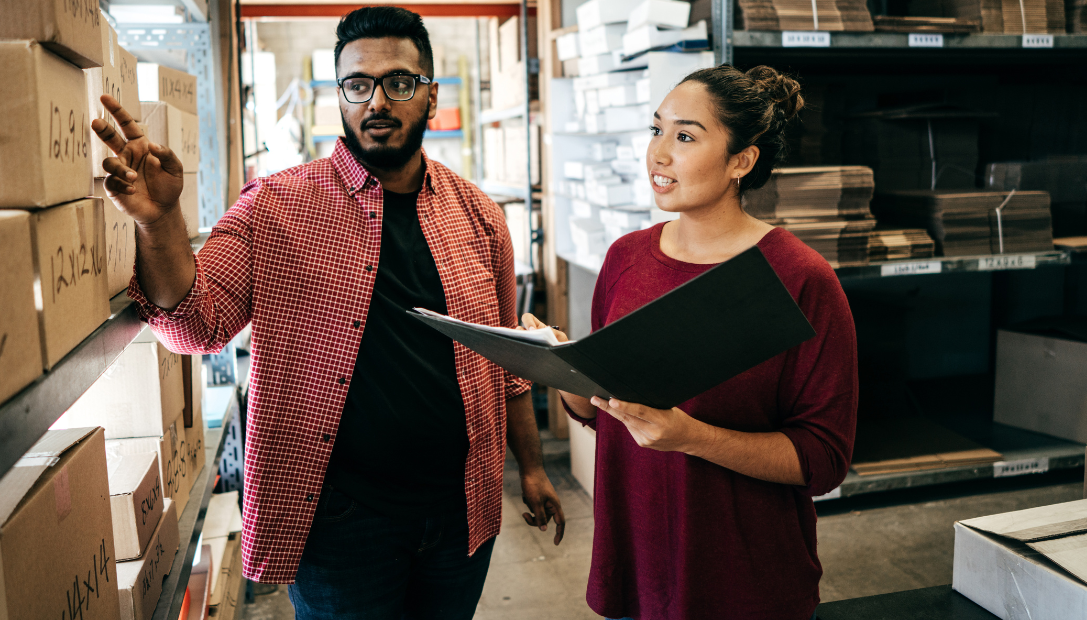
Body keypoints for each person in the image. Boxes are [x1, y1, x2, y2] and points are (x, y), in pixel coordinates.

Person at [89, 7, 565, 619]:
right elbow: (194, 327)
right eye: (357, 85)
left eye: (398, 82)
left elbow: (510, 364)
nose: (376, 102)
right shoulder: (276, 206)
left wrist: (531, 468)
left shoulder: (478, 215)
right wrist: (160, 223)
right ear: (340, 96)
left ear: (430, 94)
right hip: (340, 526)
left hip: (460, 514)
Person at [523, 65, 857, 620]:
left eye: (685, 136)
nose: (658, 154)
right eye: (656, 130)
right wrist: (563, 368)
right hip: (636, 567)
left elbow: (823, 459)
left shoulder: (800, 278)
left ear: (741, 162)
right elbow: (603, 413)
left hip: (742, 582)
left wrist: (691, 436)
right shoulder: (626, 258)